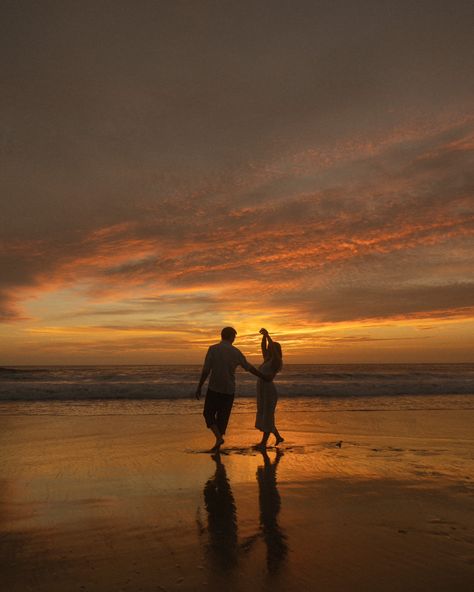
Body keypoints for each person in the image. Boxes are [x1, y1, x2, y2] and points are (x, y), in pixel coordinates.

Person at [195, 327, 266, 451]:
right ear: (231, 337)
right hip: (229, 390)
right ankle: (218, 439)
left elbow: (206, 370)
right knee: (223, 417)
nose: (235, 339)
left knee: (208, 413)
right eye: (234, 336)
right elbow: (248, 367)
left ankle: (218, 439)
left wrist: (199, 386)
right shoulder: (236, 352)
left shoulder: (213, 349)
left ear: (222, 335)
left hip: (214, 387)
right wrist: (263, 376)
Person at [254, 328, 284, 449]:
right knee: (264, 414)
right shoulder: (267, 359)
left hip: (268, 390)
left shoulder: (277, 361)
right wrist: (264, 337)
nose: (268, 349)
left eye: (271, 348)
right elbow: (263, 347)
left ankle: (263, 442)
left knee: (268, 415)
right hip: (262, 389)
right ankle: (278, 437)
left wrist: (268, 335)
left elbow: (268, 377)